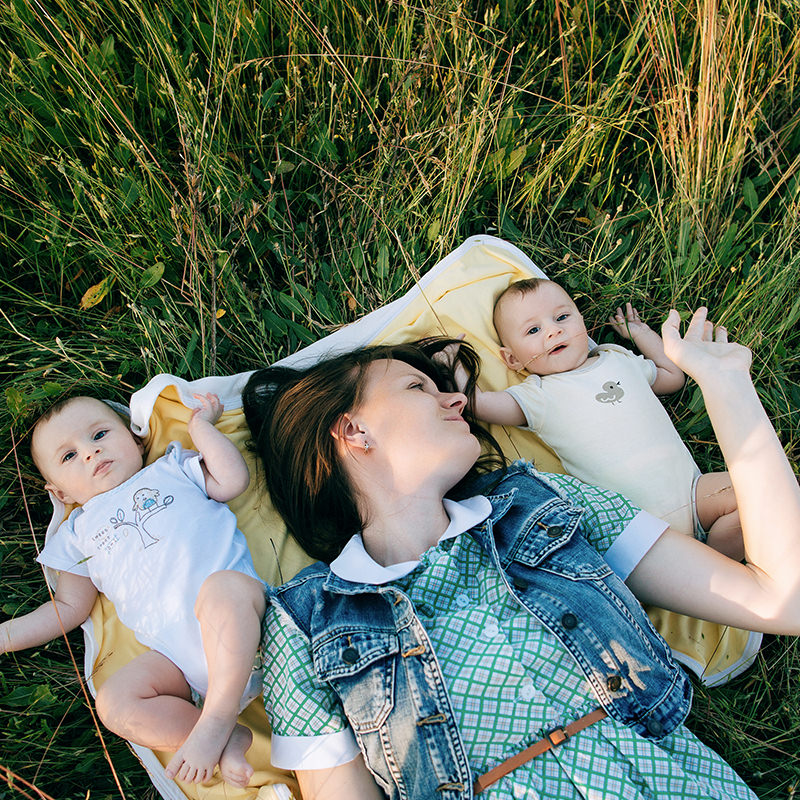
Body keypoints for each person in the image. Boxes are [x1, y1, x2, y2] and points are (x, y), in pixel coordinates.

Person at [242, 308, 800, 799]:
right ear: (354, 430)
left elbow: (781, 600)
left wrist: (727, 385)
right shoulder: (305, 623)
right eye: (418, 388)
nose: (458, 398)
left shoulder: (543, 504)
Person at [0, 393, 266, 788]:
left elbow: (232, 480)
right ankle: (221, 734)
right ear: (60, 493)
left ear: (135, 438)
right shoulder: (77, 533)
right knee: (114, 702)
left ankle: (217, 722)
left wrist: (201, 428)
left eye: (100, 434)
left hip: (247, 621)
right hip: (180, 665)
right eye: (69, 456)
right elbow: (69, 607)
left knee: (221, 590)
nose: (90, 453)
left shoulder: (172, 469)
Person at [464, 277, 741, 557]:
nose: (553, 331)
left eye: (562, 317)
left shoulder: (617, 358)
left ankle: (717, 568)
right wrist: (455, 366)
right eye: (534, 330)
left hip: (692, 493)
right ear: (512, 360)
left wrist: (641, 334)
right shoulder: (540, 395)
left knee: (750, 496)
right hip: (635, 526)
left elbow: (672, 377)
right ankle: (705, 575)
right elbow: (481, 405)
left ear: (582, 323)